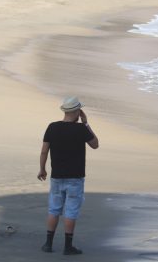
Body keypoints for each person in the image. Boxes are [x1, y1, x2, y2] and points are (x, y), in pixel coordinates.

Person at [38, 96, 99, 255]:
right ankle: (67, 246)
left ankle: (48, 243)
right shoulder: (81, 129)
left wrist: (42, 169)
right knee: (71, 211)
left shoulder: (52, 127)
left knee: (54, 209)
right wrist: (86, 123)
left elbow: (44, 150)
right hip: (75, 177)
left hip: (57, 176)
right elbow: (95, 144)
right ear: (77, 111)